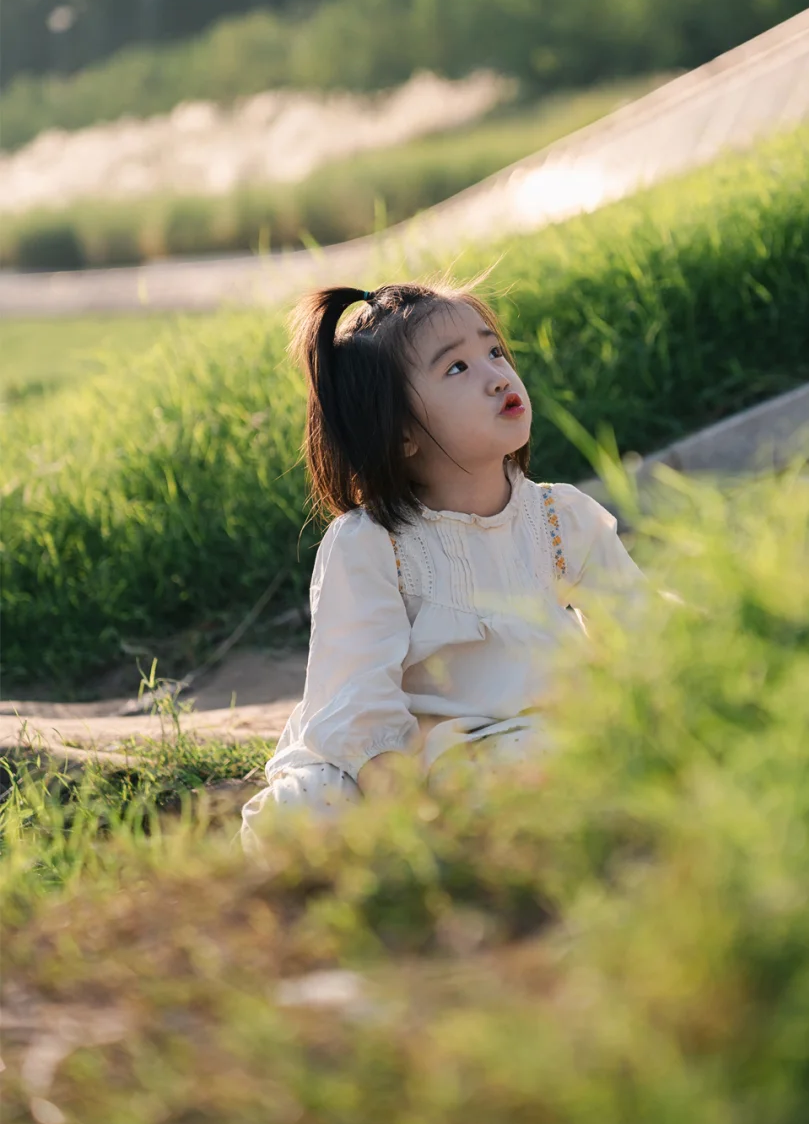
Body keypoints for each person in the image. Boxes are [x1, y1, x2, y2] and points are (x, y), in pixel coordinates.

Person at [240, 274, 647, 857]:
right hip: (394, 762)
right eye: (456, 369)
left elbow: (639, 626)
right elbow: (357, 698)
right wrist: (409, 809)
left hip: (523, 737)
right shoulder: (373, 544)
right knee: (306, 809)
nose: (495, 375)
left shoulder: (560, 518)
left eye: (493, 351)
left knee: (560, 763)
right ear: (402, 433)